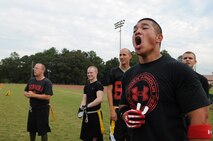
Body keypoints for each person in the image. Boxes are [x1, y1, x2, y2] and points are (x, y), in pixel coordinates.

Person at [119, 18, 212, 141]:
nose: (137, 31)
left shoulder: (179, 70)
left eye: (144, 28)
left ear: (159, 38)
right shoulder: (128, 74)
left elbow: (201, 119)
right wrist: (126, 115)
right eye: (134, 30)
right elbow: (123, 105)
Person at [106, 48, 132, 141]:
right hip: (116, 108)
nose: (121, 57)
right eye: (120, 55)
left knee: (131, 137)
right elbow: (109, 91)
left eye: (124, 54)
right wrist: (111, 110)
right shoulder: (113, 71)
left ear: (130, 56)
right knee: (116, 137)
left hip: (130, 110)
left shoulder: (134, 71)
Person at [24, 63, 53, 141]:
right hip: (32, 109)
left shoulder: (47, 82)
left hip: (43, 109)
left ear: (42, 70)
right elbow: (25, 91)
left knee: (43, 130)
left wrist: (33, 95)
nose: (34, 69)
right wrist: (27, 94)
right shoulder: (31, 80)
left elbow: (47, 96)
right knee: (31, 129)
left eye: (37, 68)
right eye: (34, 68)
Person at [79, 66, 104, 141]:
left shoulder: (98, 85)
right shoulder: (86, 86)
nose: (89, 74)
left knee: (95, 137)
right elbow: (84, 99)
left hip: (95, 115)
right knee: (86, 137)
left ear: (96, 73)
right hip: (87, 114)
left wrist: (87, 106)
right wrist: (80, 109)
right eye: (88, 73)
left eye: (91, 72)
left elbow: (99, 99)